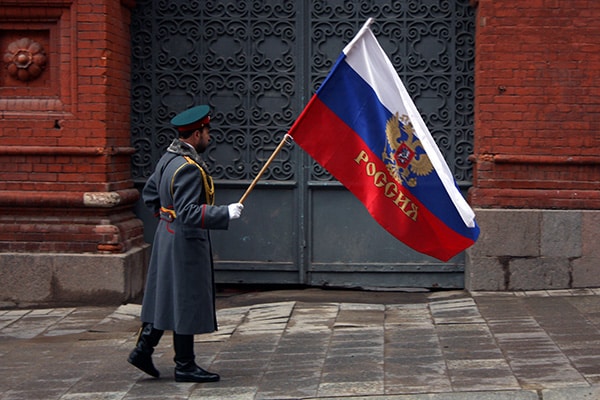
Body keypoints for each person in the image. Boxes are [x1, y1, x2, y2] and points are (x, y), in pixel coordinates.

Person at [128, 105, 244, 383]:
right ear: (195, 135)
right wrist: (224, 212)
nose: (210, 137)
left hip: (168, 235)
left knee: (167, 295)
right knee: (185, 299)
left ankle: (143, 349)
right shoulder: (188, 169)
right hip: (185, 242)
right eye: (207, 132)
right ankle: (185, 365)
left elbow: (151, 194)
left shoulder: (168, 159)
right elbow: (190, 212)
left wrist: (166, 216)